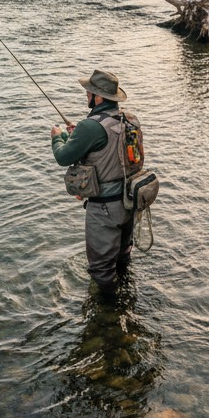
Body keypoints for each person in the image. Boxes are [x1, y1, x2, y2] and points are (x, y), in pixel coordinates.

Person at [50, 68, 137, 299]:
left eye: (89, 91)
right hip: (130, 202)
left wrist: (57, 136)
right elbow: (108, 150)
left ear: (98, 97)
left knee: (101, 270)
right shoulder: (129, 119)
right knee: (122, 256)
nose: (86, 95)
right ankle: (126, 298)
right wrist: (78, 135)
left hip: (105, 209)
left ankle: (108, 313)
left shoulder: (90, 126)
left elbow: (63, 157)